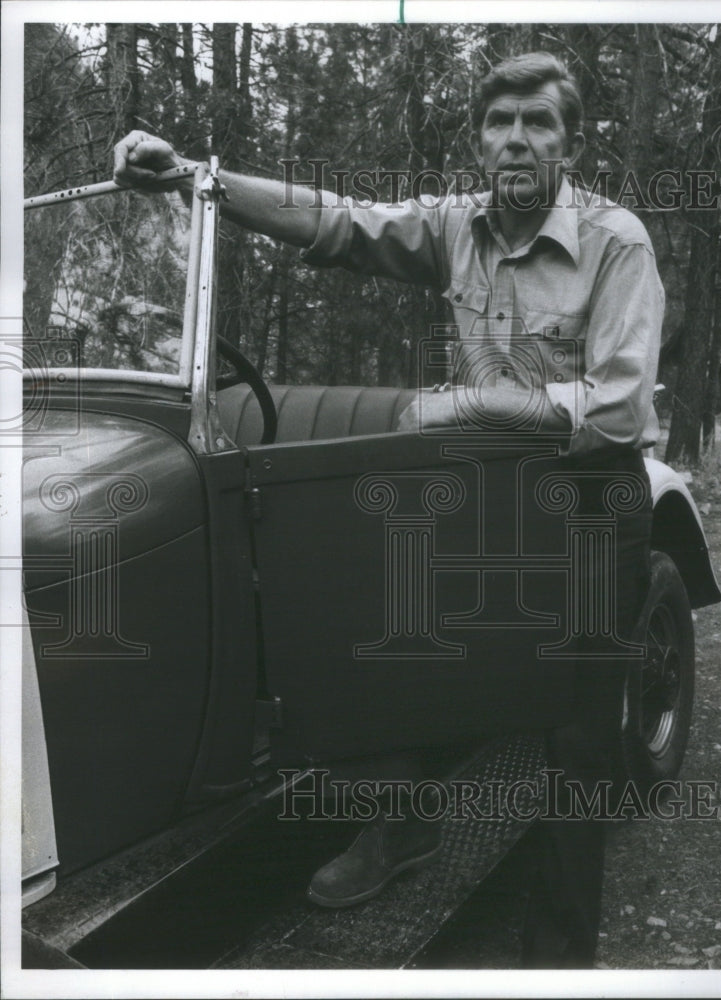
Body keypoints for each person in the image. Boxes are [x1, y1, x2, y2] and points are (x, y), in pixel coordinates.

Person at [114, 51, 661, 967]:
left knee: (576, 750)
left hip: (587, 508)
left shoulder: (618, 243)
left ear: (570, 140)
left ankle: (559, 961)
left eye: (538, 123)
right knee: (402, 656)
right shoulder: (456, 227)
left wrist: (462, 405)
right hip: (484, 499)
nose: (517, 140)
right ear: (479, 139)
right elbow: (334, 220)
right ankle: (404, 827)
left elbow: (614, 409)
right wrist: (199, 180)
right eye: (500, 123)